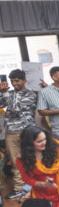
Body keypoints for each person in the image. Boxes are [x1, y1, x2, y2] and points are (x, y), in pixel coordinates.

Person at [0, 70, 39, 198]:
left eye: (17, 81)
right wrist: (2, 93)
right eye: (12, 81)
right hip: (11, 131)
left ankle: (34, 186)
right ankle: (19, 189)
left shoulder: (30, 94)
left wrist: (5, 93)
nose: (14, 83)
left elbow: (15, 109)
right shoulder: (9, 93)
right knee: (15, 161)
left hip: (26, 131)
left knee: (30, 159)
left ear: (24, 81)